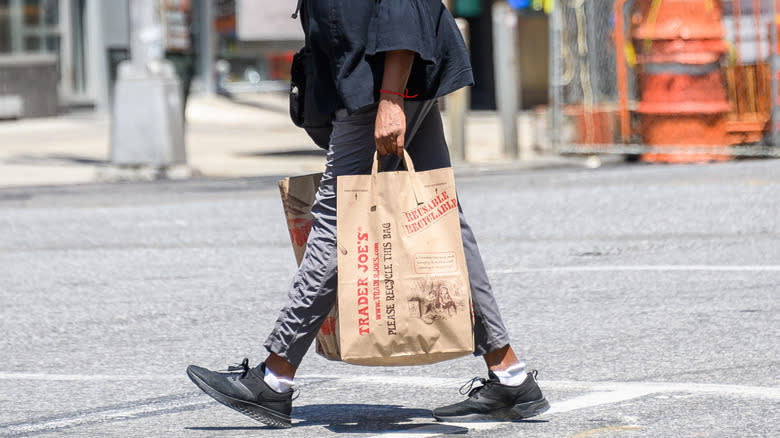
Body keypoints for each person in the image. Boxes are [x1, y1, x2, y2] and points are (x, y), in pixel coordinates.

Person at [186, 0, 548, 428]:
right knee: (441, 221)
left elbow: (401, 9)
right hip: (383, 80)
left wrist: (392, 99)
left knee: (337, 225)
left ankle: (274, 377)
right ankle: (509, 376)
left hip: (383, 86)